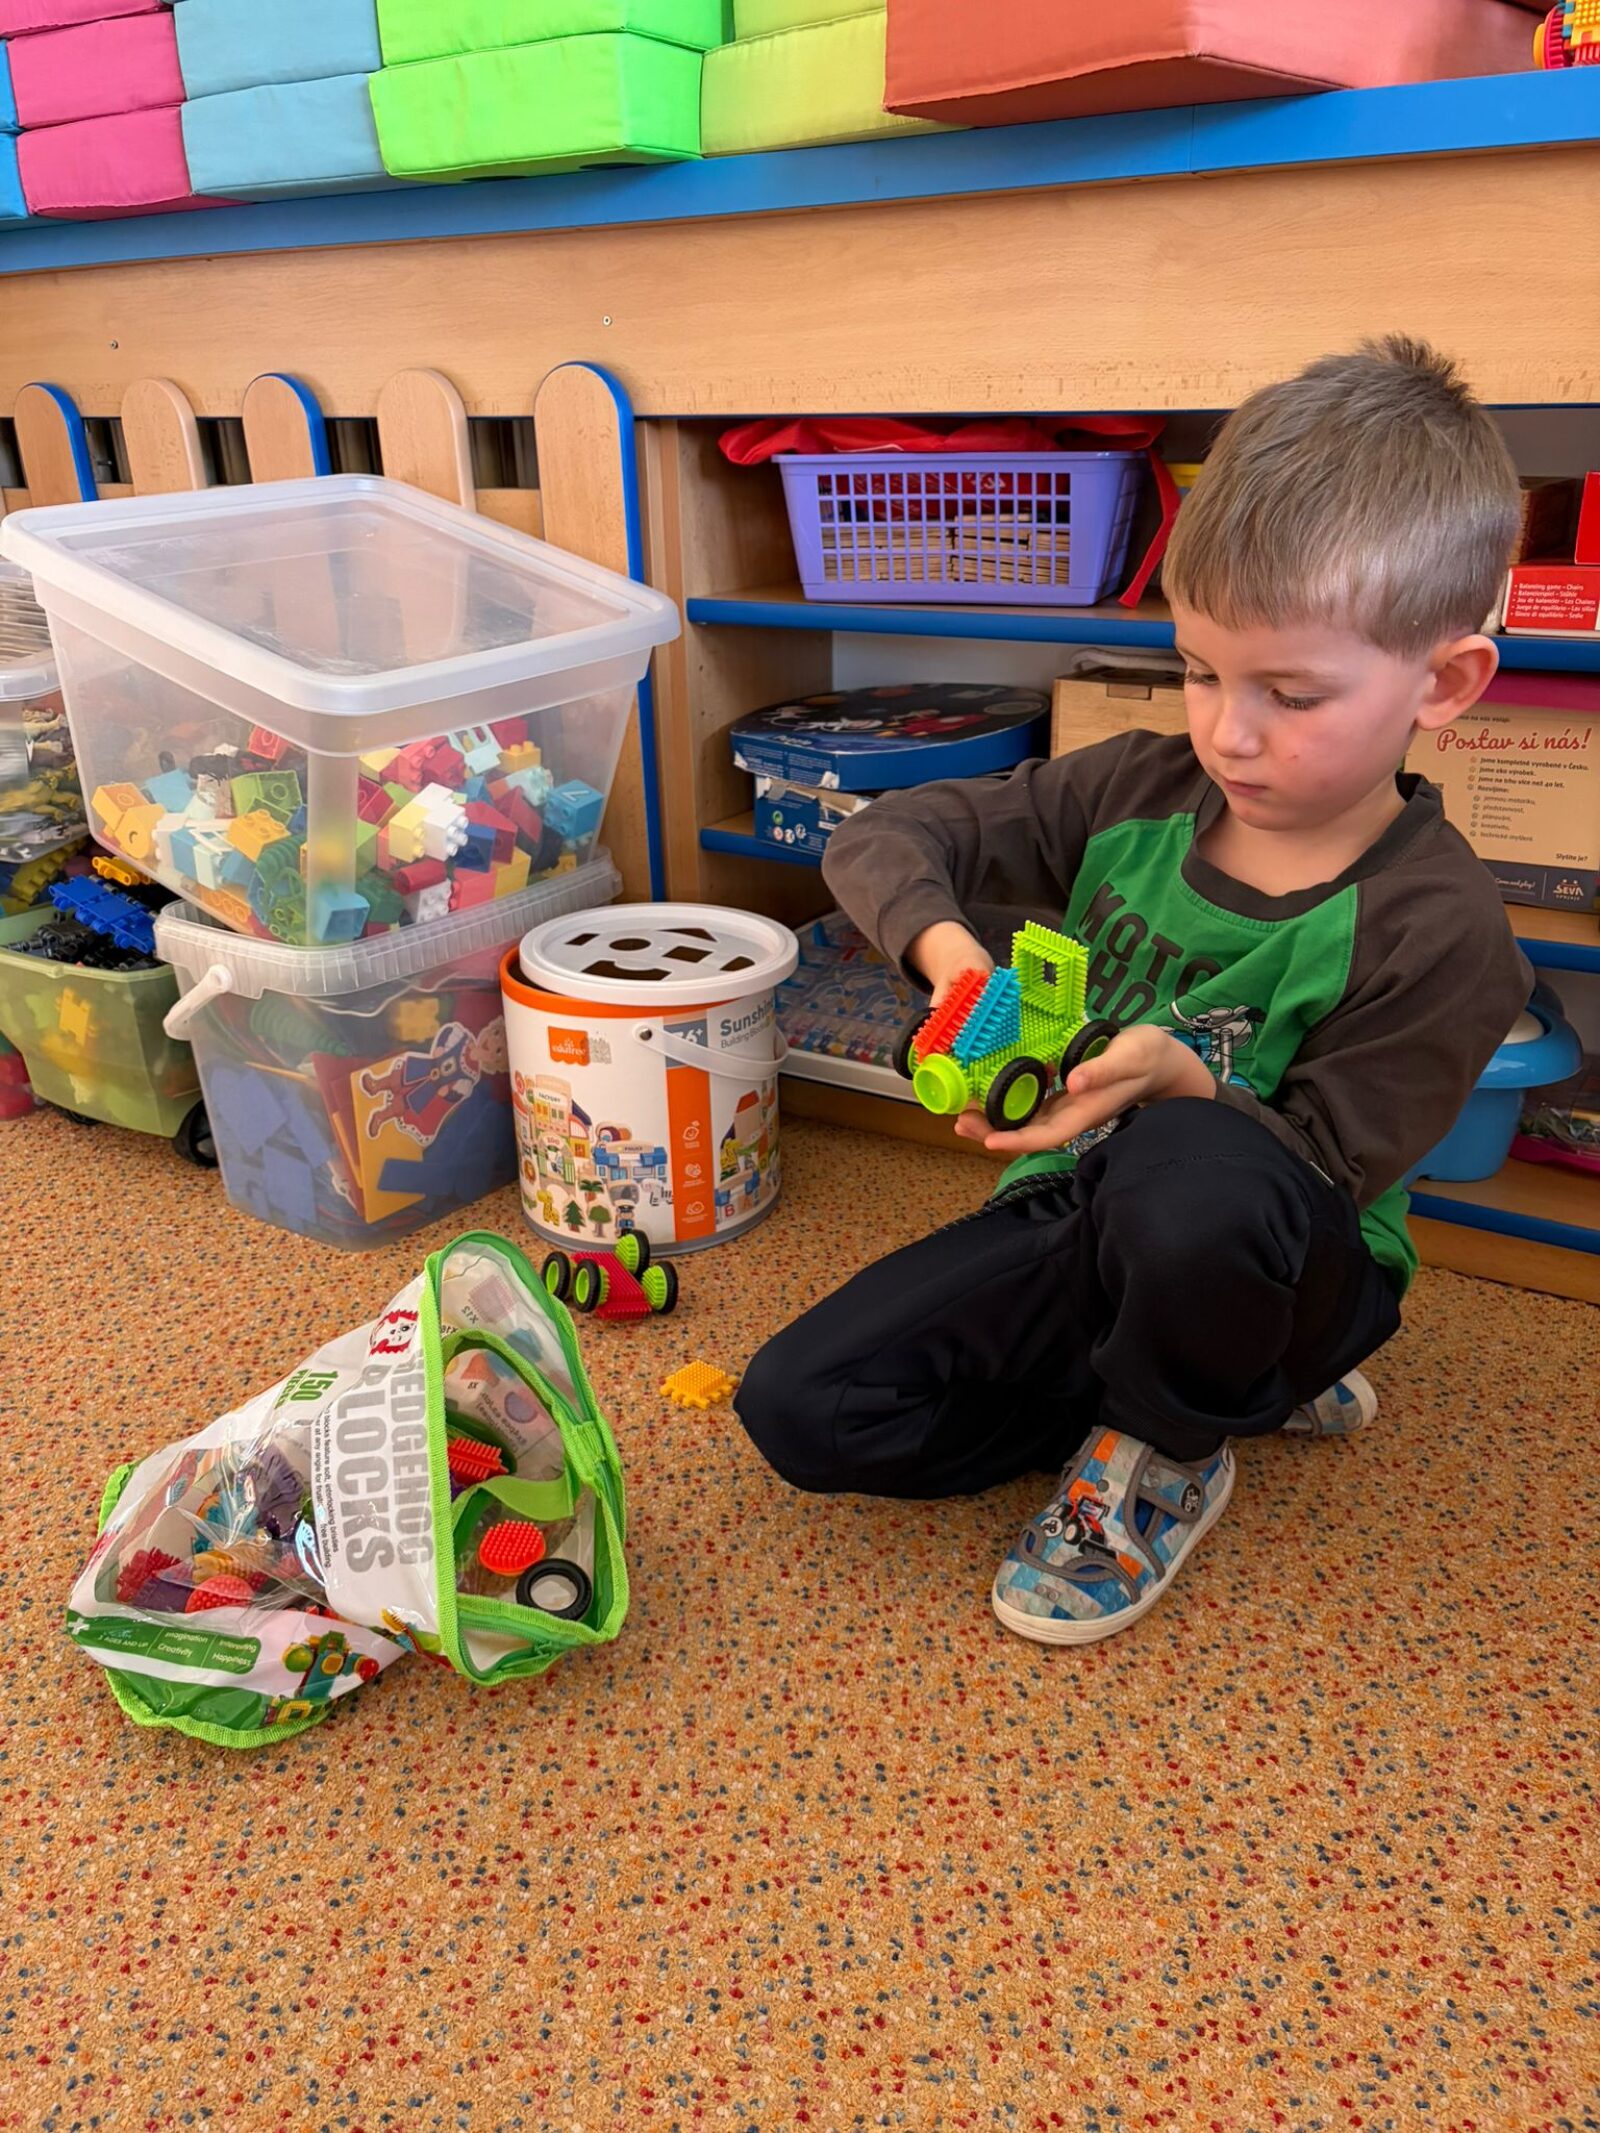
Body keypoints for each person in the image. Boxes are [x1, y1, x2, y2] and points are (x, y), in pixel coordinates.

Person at [734, 335, 1533, 1647]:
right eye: (1202, 670)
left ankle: (1172, 1441)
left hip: (1296, 1248)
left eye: (1292, 693)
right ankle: (1215, 1382)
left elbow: (1329, 1165)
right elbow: (884, 837)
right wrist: (952, 956)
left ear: (1442, 683)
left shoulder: (1440, 927)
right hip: (1087, 1212)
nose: (1228, 732)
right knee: (803, 1409)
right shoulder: (1136, 788)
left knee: (1188, 1162)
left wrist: (1183, 1081)